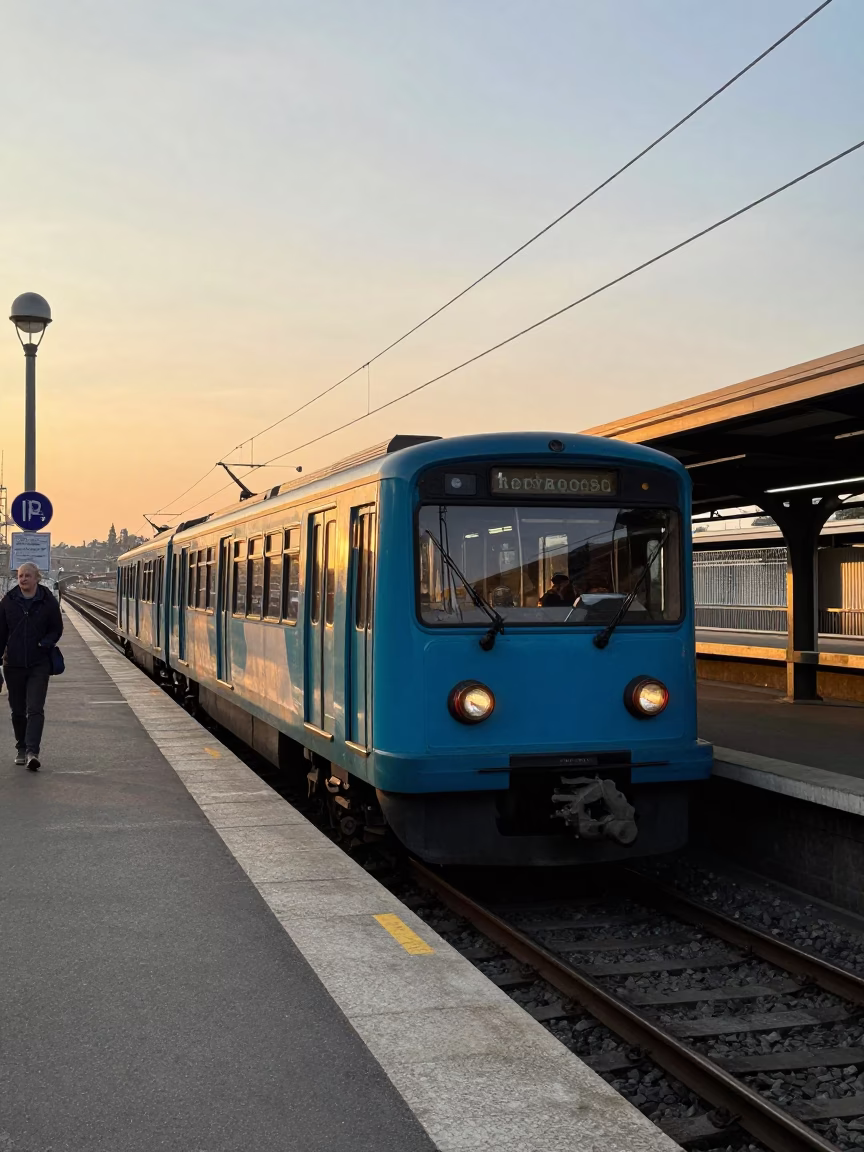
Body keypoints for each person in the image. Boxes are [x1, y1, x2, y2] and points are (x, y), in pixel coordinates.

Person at [0, 562, 63, 771]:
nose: (23, 579)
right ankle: (21, 747)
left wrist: (45, 643)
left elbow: (56, 628)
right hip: (14, 664)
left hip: (39, 663)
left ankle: (32, 752)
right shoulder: (8, 601)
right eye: (20, 576)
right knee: (18, 710)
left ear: (37, 578)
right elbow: (0, 634)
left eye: (27, 575)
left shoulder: (48, 602)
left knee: (35, 708)